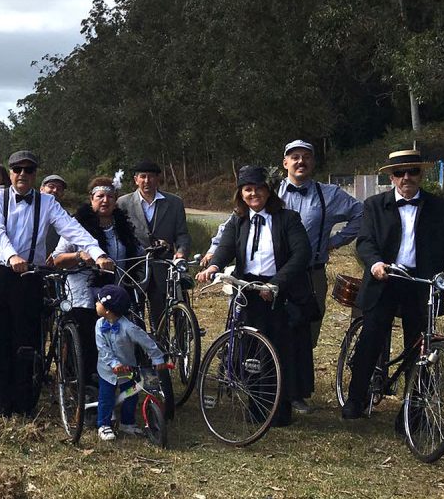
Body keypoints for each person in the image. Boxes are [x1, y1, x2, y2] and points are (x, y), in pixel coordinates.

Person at [203, 139, 363, 413]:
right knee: (251, 336)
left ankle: (292, 392)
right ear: (285, 163)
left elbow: (360, 214)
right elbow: (229, 236)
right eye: (294, 157)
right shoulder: (257, 202)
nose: (300, 162)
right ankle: (252, 388)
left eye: (306, 157)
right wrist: (213, 260)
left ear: (313, 162)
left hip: (301, 278)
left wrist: (333, 242)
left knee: (298, 336)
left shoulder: (326, 196)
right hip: (253, 284)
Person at [342, 150, 444, 423]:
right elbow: (365, 241)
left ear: (421, 174)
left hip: (422, 284)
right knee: (372, 337)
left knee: (420, 346)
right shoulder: (374, 205)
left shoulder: (440, 208)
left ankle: (413, 409)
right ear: (391, 177)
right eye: (399, 173)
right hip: (385, 279)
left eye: (412, 171)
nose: (406, 178)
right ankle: (356, 398)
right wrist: (376, 263)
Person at [0, 150, 114, 417]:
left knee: (27, 338)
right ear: (10, 173)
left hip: (30, 274)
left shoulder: (47, 203)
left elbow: (73, 229)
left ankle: (26, 401)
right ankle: (2, 403)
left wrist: (98, 254)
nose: (22, 174)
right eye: (17, 169)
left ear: (34, 174)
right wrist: (12, 255)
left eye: (28, 170)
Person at [196, 166, 313, 427]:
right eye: (248, 189)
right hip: (247, 289)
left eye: (258, 188)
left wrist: (275, 285)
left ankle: (280, 412)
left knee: (279, 349)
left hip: (279, 291)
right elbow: (225, 248)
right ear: (241, 194)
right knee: (250, 350)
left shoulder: (288, 219)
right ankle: (256, 407)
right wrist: (214, 266)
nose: (253, 194)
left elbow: (300, 255)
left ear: (268, 191)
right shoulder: (238, 221)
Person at [50, 176, 142, 388]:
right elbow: (56, 258)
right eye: (100, 196)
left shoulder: (123, 227)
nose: (105, 200)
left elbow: (136, 251)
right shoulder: (76, 226)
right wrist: (79, 256)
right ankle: (83, 387)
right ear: (91, 199)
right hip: (83, 295)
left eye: (110, 196)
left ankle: (115, 387)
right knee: (87, 345)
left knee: (118, 343)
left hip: (115, 295)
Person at [117, 160, 191, 328]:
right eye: (142, 177)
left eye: (151, 177)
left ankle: (162, 351)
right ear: (136, 179)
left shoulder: (174, 203)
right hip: (134, 270)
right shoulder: (123, 203)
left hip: (163, 269)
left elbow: (182, 234)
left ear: (158, 179)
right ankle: (139, 353)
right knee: (134, 318)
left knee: (161, 319)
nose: (146, 181)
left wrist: (180, 253)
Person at [93, 284, 165, 441]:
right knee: (106, 397)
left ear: (107, 310)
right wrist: (113, 364)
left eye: (98, 302)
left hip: (128, 369)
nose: (96, 303)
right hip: (107, 370)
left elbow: (147, 341)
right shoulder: (99, 325)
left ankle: (127, 423)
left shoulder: (128, 327)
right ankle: (103, 424)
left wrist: (157, 357)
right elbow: (102, 348)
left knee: (131, 395)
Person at [40, 174, 68, 252]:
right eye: (51, 187)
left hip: (54, 261)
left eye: (59, 189)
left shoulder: (66, 216)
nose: (55, 190)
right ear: (41, 189)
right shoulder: (28, 210)